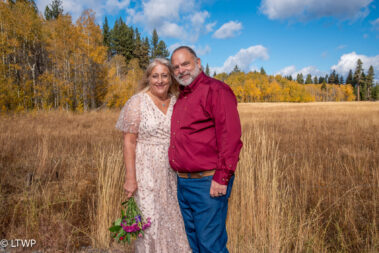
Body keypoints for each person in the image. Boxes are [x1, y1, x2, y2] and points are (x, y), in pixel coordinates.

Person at [169, 46, 243, 253]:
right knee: (196, 244)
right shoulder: (182, 96)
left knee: (211, 245)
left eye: (186, 64)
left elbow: (230, 137)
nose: (181, 70)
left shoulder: (216, 90)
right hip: (184, 182)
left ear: (198, 63)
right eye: (176, 67)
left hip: (207, 182)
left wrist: (222, 177)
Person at [115, 58, 191, 253]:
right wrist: (130, 178)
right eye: (155, 76)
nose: (160, 80)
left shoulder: (176, 101)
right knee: (151, 221)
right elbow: (129, 141)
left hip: (172, 173)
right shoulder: (137, 102)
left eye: (164, 75)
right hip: (145, 171)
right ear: (148, 78)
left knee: (174, 221)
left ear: (171, 78)